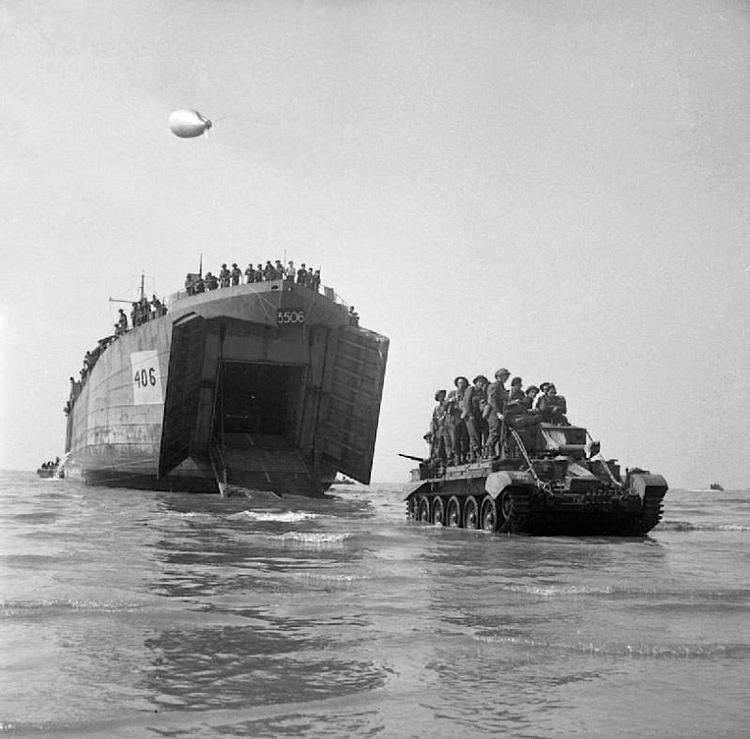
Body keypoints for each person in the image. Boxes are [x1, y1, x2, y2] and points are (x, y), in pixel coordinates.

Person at [463, 375, 489, 460]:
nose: (481, 384)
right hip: (470, 415)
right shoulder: (471, 389)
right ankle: (476, 453)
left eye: (483, 382)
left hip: (478, 415)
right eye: (479, 382)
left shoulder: (483, 392)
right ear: (476, 383)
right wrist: (470, 414)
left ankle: (474, 453)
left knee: (478, 433)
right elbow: (466, 402)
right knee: (474, 434)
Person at [486, 368, 510, 458]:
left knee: (500, 433)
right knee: (494, 432)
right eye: (505, 376)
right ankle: (488, 453)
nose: (506, 378)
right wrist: (498, 413)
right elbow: (493, 401)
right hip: (494, 413)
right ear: (499, 377)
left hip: (499, 413)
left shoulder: (501, 386)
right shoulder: (495, 386)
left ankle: (496, 453)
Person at [446, 376, 470, 464]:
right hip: (454, 418)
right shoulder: (452, 393)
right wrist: (450, 401)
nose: (461, 385)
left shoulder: (467, 392)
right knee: (455, 439)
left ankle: (464, 456)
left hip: (465, 417)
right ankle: (457, 457)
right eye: (460, 383)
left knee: (465, 437)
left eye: (463, 383)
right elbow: (445, 405)